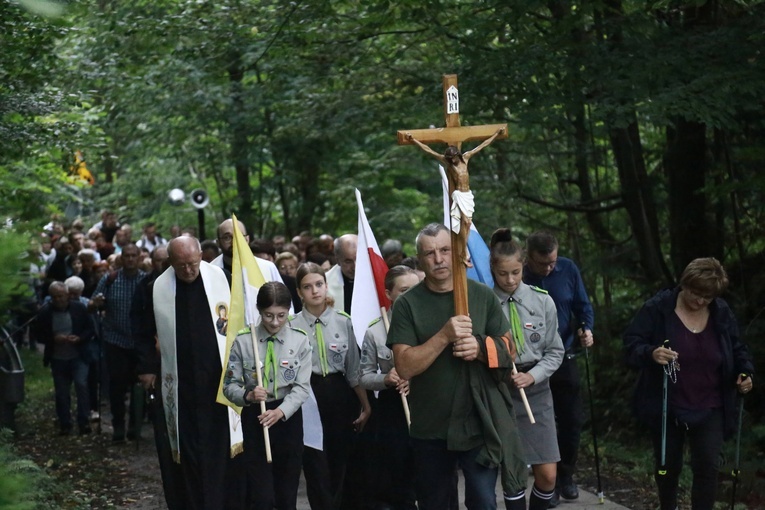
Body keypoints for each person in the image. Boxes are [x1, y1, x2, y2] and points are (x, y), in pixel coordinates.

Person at [387, 223, 527, 510]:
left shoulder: (481, 295)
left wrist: (479, 348)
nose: (438, 259)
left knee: (484, 502)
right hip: (430, 426)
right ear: (419, 259)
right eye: (429, 253)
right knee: (435, 504)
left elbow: (509, 349)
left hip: (478, 421)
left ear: (456, 253)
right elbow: (405, 367)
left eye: (444, 250)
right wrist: (444, 336)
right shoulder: (407, 305)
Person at [623, 257, 754, 510]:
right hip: (667, 403)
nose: (700, 301)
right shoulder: (658, 308)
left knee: (708, 466)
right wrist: (651, 353)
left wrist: (745, 373)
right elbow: (631, 343)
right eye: (696, 293)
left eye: (708, 296)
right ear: (684, 284)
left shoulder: (721, 312)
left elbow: (738, 349)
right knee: (667, 467)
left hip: (711, 403)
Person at [136, 236, 245, 509]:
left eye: (193, 264)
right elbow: (140, 332)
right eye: (181, 265)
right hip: (179, 385)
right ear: (169, 262)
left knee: (221, 449)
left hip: (218, 382)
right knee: (186, 451)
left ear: (201, 256)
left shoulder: (224, 279)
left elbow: (242, 324)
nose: (188, 270)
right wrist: (147, 368)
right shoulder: (154, 288)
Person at [490, 229, 564, 510]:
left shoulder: (541, 300)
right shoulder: (484, 303)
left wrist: (532, 376)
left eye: (516, 273)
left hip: (536, 388)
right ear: (493, 270)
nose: (509, 280)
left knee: (547, 474)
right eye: (503, 274)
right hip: (501, 390)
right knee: (513, 473)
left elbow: (555, 351)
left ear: (523, 267)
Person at [290, 262, 371, 510]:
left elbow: (354, 369)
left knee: (341, 462)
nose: (314, 291)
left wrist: (366, 406)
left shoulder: (343, 321)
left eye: (319, 284)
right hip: (308, 399)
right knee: (316, 464)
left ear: (326, 286)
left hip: (340, 397)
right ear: (299, 291)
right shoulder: (291, 325)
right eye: (307, 286)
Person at [223, 281, 311, 510]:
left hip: (287, 417)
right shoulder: (244, 340)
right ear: (259, 311)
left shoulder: (299, 339)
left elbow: (302, 387)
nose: (274, 322)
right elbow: (228, 385)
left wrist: (281, 411)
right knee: (262, 496)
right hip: (257, 416)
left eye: (281, 315)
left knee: (286, 493)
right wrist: (248, 395)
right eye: (268, 315)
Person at [522, 231, 594, 505]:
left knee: (571, 420)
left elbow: (583, 306)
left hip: (565, 355)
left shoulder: (568, 269)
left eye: (552, 262)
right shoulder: (521, 276)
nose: (549, 268)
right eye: (543, 264)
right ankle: (545, 484)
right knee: (541, 423)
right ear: (529, 258)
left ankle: (566, 475)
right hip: (530, 361)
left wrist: (587, 329)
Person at [359, 265, 420, 510]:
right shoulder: (375, 330)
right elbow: (363, 376)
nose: (411, 295)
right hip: (393, 406)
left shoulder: (432, 322)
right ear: (389, 293)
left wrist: (414, 375)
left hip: (428, 401)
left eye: (416, 289)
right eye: (404, 290)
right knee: (398, 469)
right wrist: (386, 378)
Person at [90, 243, 145, 442]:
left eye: (133, 256)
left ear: (139, 257)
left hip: (139, 343)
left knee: (140, 386)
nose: (130, 259)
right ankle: (118, 426)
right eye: (126, 256)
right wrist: (96, 303)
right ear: (121, 258)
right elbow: (91, 303)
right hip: (115, 341)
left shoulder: (145, 281)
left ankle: (135, 426)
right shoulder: (110, 279)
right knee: (117, 387)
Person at [37, 281, 95, 435]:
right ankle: (65, 423)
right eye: (54, 297)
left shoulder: (79, 309)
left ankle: (84, 421)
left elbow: (90, 329)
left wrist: (79, 338)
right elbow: (39, 334)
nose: (58, 300)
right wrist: (53, 338)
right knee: (62, 392)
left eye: (60, 296)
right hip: (58, 358)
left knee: (81, 385)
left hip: (78, 355)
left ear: (68, 295)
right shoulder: (45, 312)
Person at [211, 218, 283, 286]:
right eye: (227, 238)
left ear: (247, 239)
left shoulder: (268, 268)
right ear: (218, 243)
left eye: (239, 236)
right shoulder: (209, 271)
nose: (234, 242)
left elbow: (282, 298)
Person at [325, 234, 357, 314]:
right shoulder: (325, 283)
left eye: (359, 259)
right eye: (348, 261)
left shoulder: (376, 278)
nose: (355, 267)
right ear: (338, 260)